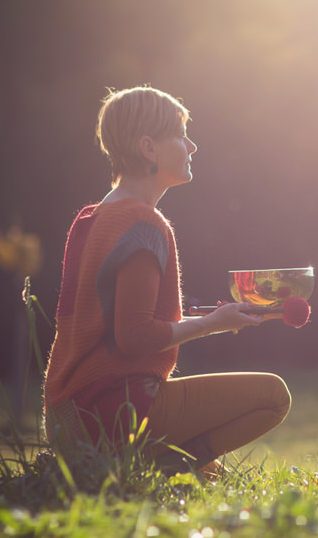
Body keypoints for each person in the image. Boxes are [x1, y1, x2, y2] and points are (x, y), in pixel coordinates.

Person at [43, 85, 291, 478]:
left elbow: (108, 322)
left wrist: (202, 314)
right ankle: (160, 466)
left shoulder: (89, 220)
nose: (192, 146)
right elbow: (134, 337)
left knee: (215, 477)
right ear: (149, 148)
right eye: (180, 134)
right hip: (114, 409)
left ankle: (176, 465)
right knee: (274, 396)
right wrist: (213, 325)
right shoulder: (144, 223)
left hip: (67, 417)